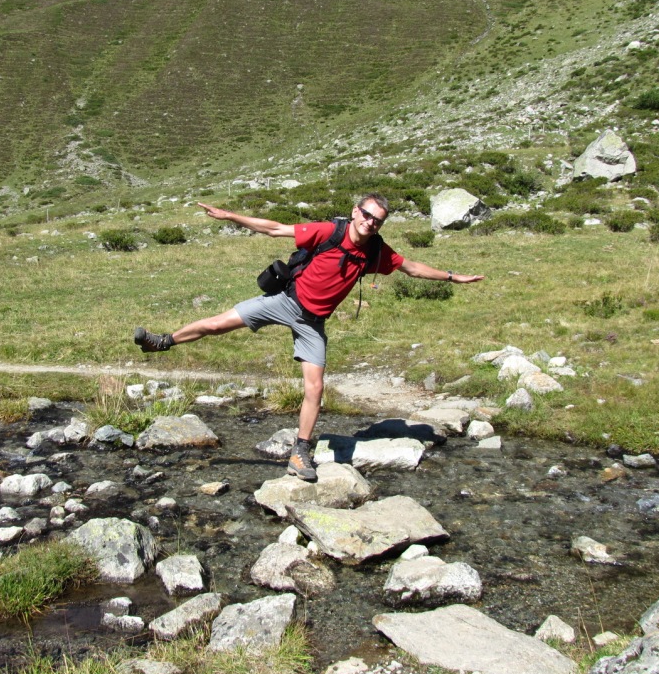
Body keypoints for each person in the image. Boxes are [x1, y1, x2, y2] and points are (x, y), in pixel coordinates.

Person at [134, 193, 484, 481]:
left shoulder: (376, 251)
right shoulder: (328, 231)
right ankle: (162, 342)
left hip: (312, 323)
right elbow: (274, 229)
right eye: (367, 214)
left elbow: (412, 268)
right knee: (216, 324)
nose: (370, 222)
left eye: (377, 219)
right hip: (285, 301)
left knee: (315, 388)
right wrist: (229, 216)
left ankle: (300, 453)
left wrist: (453, 277)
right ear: (355, 211)